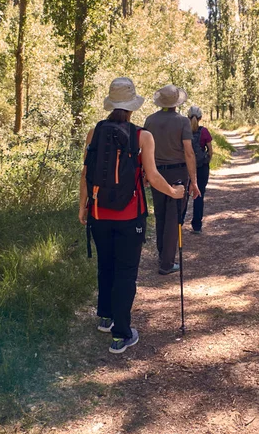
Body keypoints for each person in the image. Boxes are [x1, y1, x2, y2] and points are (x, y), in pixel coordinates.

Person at [79, 77, 184, 354]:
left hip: (98, 213)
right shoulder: (142, 136)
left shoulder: (95, 132)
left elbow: (86, 174)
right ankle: (121, 334)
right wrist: (174, 192)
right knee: (125, 273)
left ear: (111, 104)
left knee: (106, 266)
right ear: (132, 106)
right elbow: (153, 176)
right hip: (129, 217)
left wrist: (83, 206)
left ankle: (105, 317)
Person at [144, 84, 201, 275]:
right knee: (173, 217)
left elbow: (144, 150)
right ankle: (167, 263)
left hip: (156, 173)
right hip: (178, 173)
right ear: (177, 102)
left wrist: (145, 173)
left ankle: (163, 254)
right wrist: (194, 181)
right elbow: (189, 152)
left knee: (160, 214)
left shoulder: (150, 120)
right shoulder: (182, 121)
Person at [186, 106, 213, 234]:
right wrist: (207, 160)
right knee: (199, 195)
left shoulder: (184, 130)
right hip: (201, 168)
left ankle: (179, 223)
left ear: (188, 117)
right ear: (201, 118)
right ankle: (197, 226)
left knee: (183, 196)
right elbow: (210, 150)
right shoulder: (205, 132)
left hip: (186, 168)